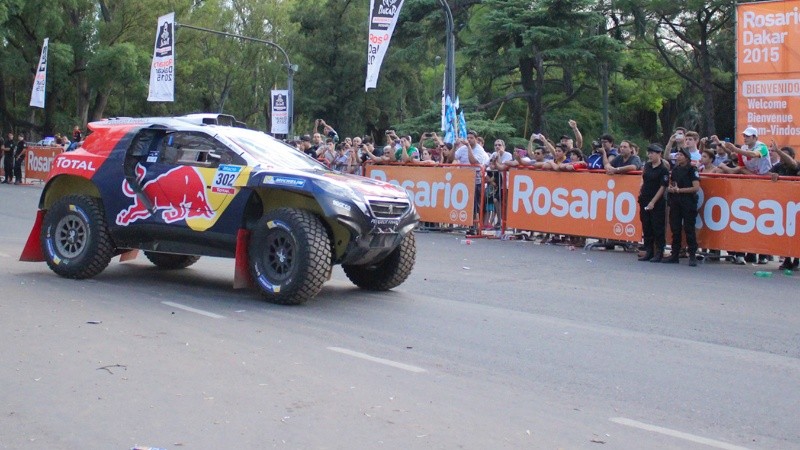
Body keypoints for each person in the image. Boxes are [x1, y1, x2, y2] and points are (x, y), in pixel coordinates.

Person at [663, 147, 701, 266]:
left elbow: (696, 187)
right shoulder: (676, 169)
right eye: (677, 155)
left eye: (680, 155)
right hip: (676, 202)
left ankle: (692, 255)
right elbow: (673, 183)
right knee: (675, 228)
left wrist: (680, 190)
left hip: (688, 202)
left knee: (689, 229)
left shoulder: (692, 169)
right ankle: (675, 254)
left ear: (686, 157)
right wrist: (672, 189)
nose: (678, 157)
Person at [637, 144, 670, 262]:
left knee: (658, 227)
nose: (650, 155)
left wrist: (653, 202)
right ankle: (649, 251)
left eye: (652, 153)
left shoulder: (663, 169)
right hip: (645, 198)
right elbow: (643, 178)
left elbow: (663, 187)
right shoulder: (647, 166)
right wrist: (640, 190)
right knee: (647, 226)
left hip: (657, 201)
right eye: (649, 153)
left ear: (659, 154)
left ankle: (659, 251)